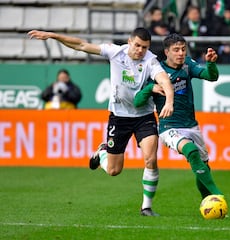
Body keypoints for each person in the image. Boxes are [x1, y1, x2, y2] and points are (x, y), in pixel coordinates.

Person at [28, 27, 174, 216]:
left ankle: (146, 207)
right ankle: (102, 153)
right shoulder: (115, 52)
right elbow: (81, 45)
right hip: (119, 117)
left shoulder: (150, 61)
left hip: (144, 117)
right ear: (129, 42)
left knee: (151, 159)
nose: (140, 50)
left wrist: (169, 101)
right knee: (114, 170)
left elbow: (165, 81)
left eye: (144, 47)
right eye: (137, 45)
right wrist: (52, 36)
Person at [133, 33, 224, 201]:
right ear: (167, 52)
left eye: (183, 49)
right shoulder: (157, 71)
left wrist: (211, 64)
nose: (181, 53)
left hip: (191, 125)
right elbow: (137, 102)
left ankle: (208, 202)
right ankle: (218, 195)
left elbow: (211, 76)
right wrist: (150, 88)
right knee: (191, 150)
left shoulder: (188, 65)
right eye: (176, 50)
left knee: (203, 166)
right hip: (169, 127)